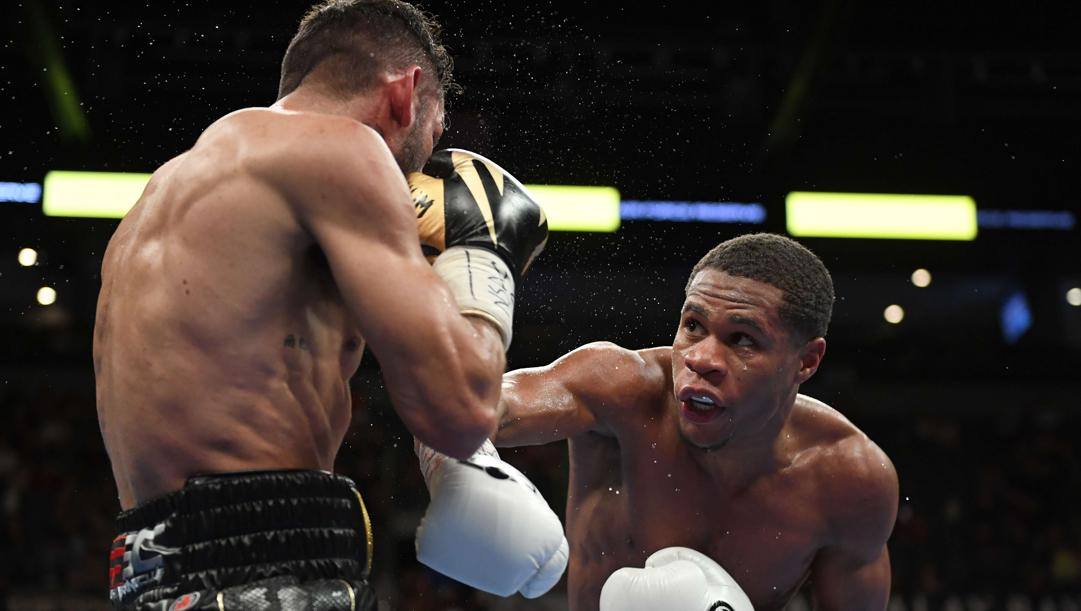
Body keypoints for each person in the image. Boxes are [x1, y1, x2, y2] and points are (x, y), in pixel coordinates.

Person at [92, 1, 557, 609]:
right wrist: (484, 254)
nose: (421, 170)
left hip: (152, 579)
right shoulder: (345, 150)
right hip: (263, 575)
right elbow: (463, 410)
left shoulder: (163, 195)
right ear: (406, 93)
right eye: (435, 136)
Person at [481, 233, 899, 610]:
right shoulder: (623, 391)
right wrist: (449, 462)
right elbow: (486, 404)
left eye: (742, 340)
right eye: (693, 326)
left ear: (806, 361)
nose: (700, 359)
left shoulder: (851, 479)